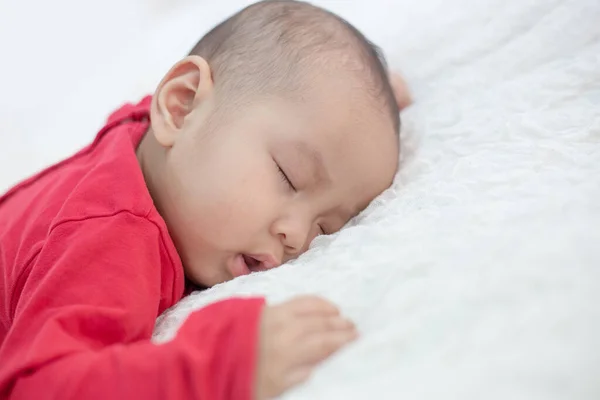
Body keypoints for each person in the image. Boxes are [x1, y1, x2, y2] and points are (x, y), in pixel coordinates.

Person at [0, 1, 410, 399]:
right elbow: (39, 387)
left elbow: (227, 106)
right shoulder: (110, 239)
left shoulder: (157, 146)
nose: (298, 235)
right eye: (289, 175)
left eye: (326, 226)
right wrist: (219, 363)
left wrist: (354, 124)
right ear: (180, 106)